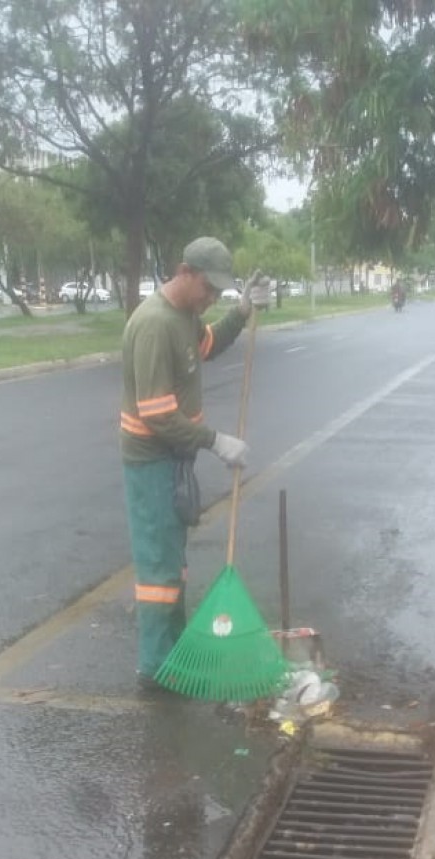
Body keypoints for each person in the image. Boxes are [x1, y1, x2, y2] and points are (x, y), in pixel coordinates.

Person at [120, 236, 270, 693]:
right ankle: (156, 667)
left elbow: (207, 345)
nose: (210, 299)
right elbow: (158, 414)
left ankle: (173, 650)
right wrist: (215, 441)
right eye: (208, 289)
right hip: (151, 462)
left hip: (175, 459)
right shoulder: (154, 325)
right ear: (183, 271)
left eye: (218, 294)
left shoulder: (185, 318)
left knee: (172, 563)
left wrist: (241, 313)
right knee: (158, 570)